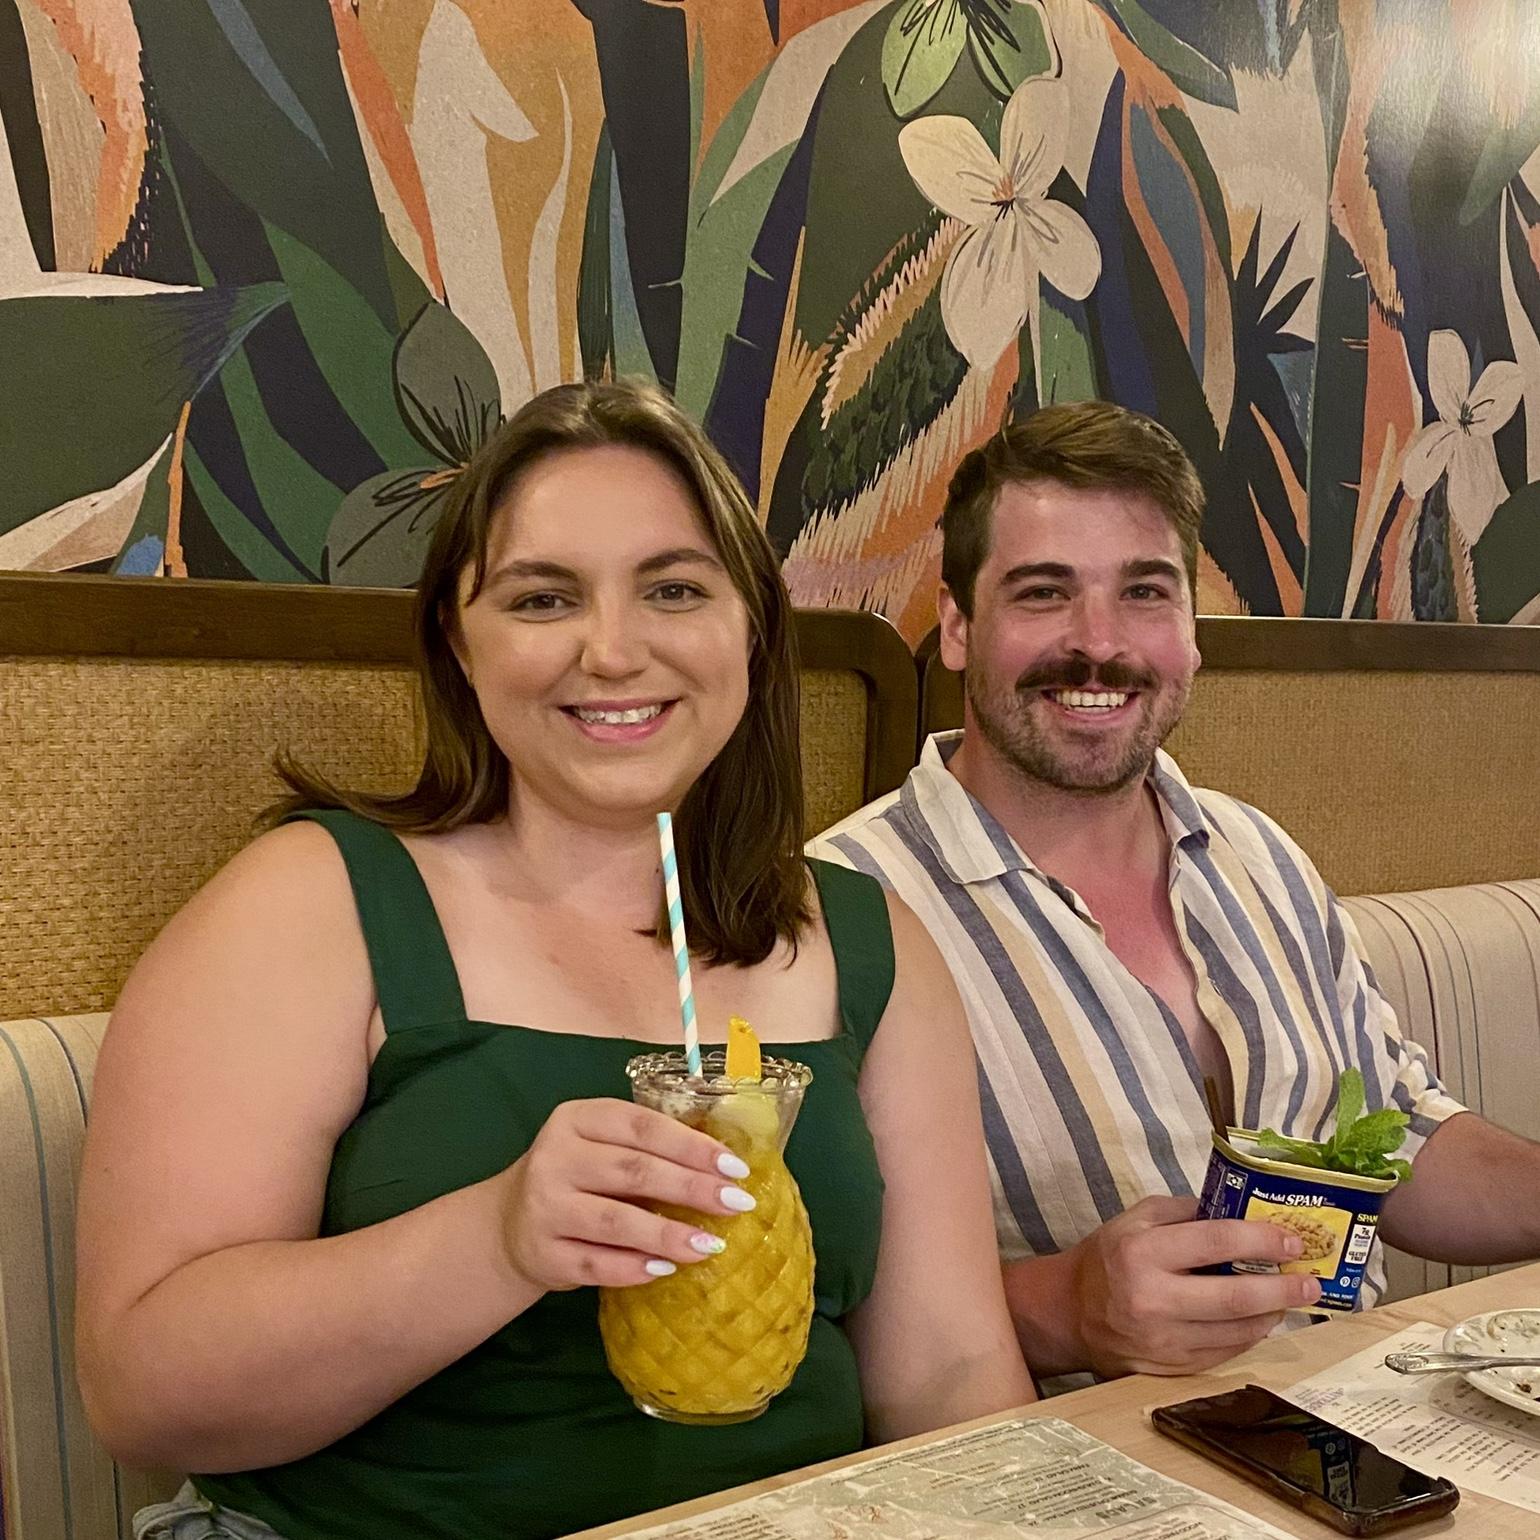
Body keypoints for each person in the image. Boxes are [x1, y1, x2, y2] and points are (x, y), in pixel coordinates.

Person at [76, 380, 1033, 1540]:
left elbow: (946, 1370)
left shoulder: (871, 942)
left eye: (674, 589)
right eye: (542, 598)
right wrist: (497, 1240)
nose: (612, 651)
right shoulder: (311, 905)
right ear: (457, 641)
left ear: (748, 628)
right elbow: (145, 1394)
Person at [811, 400, 1540, 1383]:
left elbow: (1399, 1139)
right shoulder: (839, 912)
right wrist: (1064, 1309)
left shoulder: (1259, 852)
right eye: (1043, 593)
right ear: (955, 626)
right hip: (1079, 1454)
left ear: (1191, 630)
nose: (1099, 642)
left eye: (1145, 593)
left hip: (1362, 1415)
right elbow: (809, 1304)